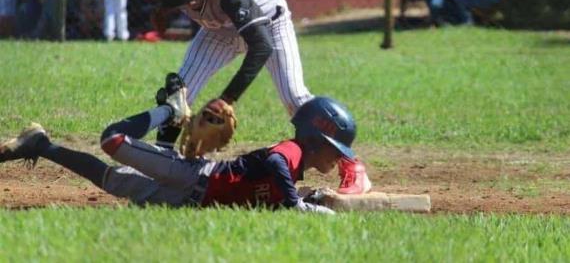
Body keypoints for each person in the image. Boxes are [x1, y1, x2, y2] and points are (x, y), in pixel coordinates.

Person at [151, 0, 371, 194]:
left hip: (269, 26)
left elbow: (261, 47)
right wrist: (162, 10)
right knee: (178, 95)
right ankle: (161, 164)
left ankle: (353, 167)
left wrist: (226, 99)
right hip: (219, 31)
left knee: (296, 99)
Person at [0, 90, 358, 214]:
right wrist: (297, 204)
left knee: (111, 180)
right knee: (112, 141)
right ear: (314, 139)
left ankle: (41, 144)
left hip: (187, 202)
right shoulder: (292, 151)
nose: (339, 157)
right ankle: (170, 110)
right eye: (335, 149)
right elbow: (273, 160)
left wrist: (307, 198)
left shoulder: (297, 173)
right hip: (193, 175)